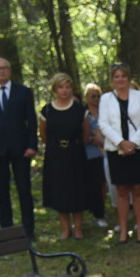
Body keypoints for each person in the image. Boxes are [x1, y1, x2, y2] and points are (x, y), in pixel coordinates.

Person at [0, 57, 39, 239]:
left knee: (24, 190)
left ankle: (29, 231)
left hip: (21, 149)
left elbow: (32, 120)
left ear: (10, 71)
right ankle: (6, 230)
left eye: (5, 68)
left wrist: (32, 145)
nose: (2, 71)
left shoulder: (23, 92)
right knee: (1, 191)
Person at [99, 62, 140, 244]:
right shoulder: (106, 99)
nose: (120, 80)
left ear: (129, 78)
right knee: (121, 190)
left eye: (123, 76)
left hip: (137, 149)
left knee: (138, 189)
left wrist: (133, 143)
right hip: (116, 149)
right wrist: (121, 142)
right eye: (116, 76)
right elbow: (103, 124)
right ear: (112, 79)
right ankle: (123, 230)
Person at [39, 73, 90, 240]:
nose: (64, 90)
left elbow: (85, 134)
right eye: (61, 87)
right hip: (55, 156)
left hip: (75, 155)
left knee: (77, 189)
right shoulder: (47, 110)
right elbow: (44, 135)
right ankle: (65, 229)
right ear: (55, 89)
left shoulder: (79, 110)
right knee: (60, 191)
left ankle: (78, 229)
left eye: (67, 87)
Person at [82, 84, 108, 227]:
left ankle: (102, 209)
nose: (96, 99)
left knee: (104, 183)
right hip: (91, 153)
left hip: (105, 152)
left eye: (98, 96)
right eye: (93, 96)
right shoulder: (84, 113)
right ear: (87, 97)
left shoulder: (105, 111)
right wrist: (93, 138)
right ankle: (96, 212)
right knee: (94, 183)